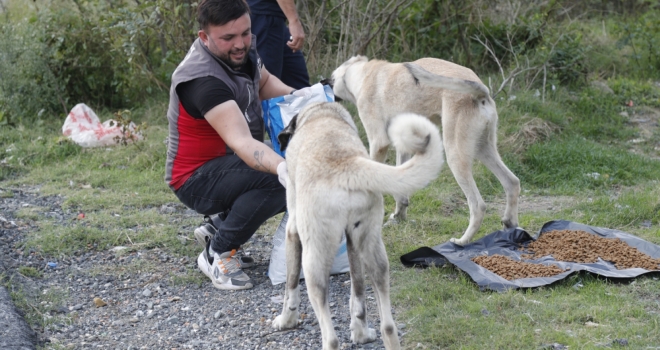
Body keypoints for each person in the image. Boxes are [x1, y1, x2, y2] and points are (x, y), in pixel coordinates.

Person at [165, 0, 293, 290]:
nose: (240, 44)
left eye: (245, 33)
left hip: (225, 164)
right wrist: (283, 168)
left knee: (282, 174)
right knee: (279, 179)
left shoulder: (240, 51)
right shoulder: (203, 80)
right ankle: (217, 252)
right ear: (204, 37)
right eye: (228, 38)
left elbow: (265, 83)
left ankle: (218, 227)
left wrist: (308, 100)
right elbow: (242, 142)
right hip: (194, 179)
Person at [247, 0, 310, 89]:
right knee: (265, 85)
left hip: (273, 18)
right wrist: (294, 20)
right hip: (265, 16)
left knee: (299, 85)